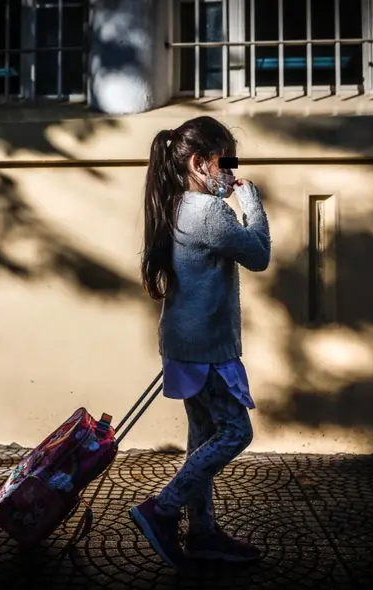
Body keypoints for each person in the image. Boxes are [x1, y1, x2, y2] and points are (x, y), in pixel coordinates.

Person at [129, 116, 271, 568]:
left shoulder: (175, 205)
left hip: (183, 344)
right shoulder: (207, 211)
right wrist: (250, 199)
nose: (231, 171)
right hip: (206, 348)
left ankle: (203, 533)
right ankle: (162, 509)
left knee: (203, 439)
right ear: (199, 163)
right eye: (226, 162)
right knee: (234, 432)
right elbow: (259, 254)